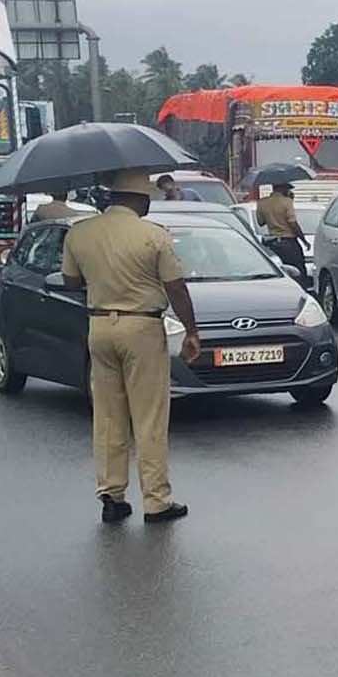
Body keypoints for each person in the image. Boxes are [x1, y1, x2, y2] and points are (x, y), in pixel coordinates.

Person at [60, 169, 201, 524]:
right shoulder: (153, 236)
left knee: (108, 416)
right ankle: (156, 501)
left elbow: (70, 279)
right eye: (147, 198)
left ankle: (112, 496)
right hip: (142, 327)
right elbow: (176, 287)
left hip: (99, 326)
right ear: (137, 199)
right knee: (149, 416)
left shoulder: (80, 233)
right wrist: (191, 329)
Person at [258, 182, 307, 278]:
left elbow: (261, 222)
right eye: (288, 189)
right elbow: (292, 223)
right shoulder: (287, 202)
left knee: (278, 270)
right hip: (288, 242)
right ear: (283, 189)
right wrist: (303, 240)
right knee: (298, 270)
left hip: (272, 242)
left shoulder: (262, 202)